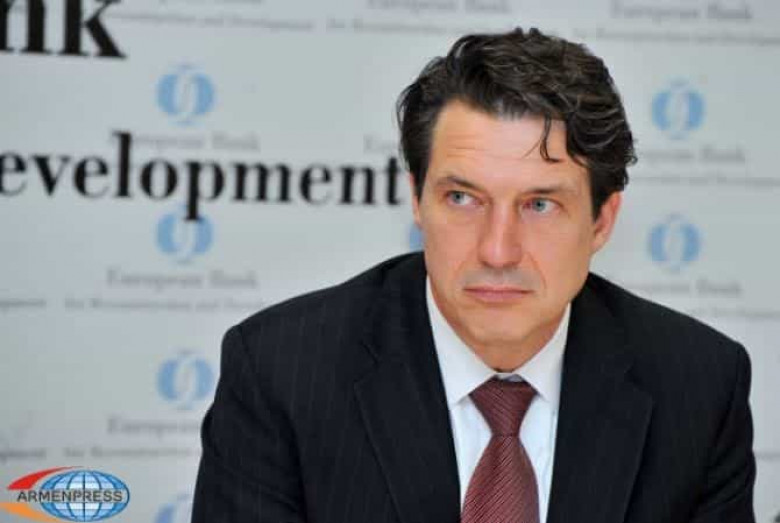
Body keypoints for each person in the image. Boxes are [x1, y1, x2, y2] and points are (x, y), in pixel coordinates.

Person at [191, 27, 756, 523]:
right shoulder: (283, 374)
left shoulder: (698, 386)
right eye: (463, 198)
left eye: (540, 205)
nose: (497, 250)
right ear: (417, 200)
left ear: (601, 221)